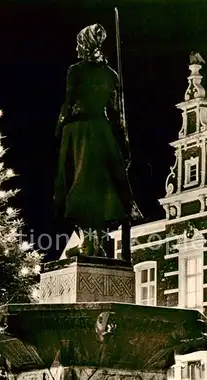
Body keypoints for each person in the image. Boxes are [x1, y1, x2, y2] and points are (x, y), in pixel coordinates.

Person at [54, 23, 142, 257]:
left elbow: (69, 101)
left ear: (84, 44)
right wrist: (122, 143)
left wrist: (60, 126)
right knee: (102, 186)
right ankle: (97, 244)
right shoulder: (110, 74)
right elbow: (114, 112)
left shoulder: (76, 70)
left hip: (79, 131)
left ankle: (88, 242)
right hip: (103, 132)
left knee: (78, 184)